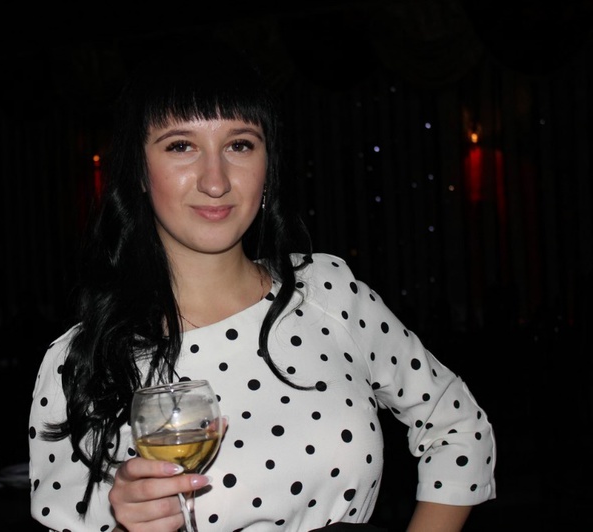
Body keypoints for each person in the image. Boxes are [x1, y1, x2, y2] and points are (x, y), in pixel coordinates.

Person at [28, 38, 496, 532]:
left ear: (267, 166)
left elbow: (458, 427)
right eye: (181, 146)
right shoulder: (81, 363)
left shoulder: (328, 293)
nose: (215, 181)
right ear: (139, 172)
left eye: (240, 145)